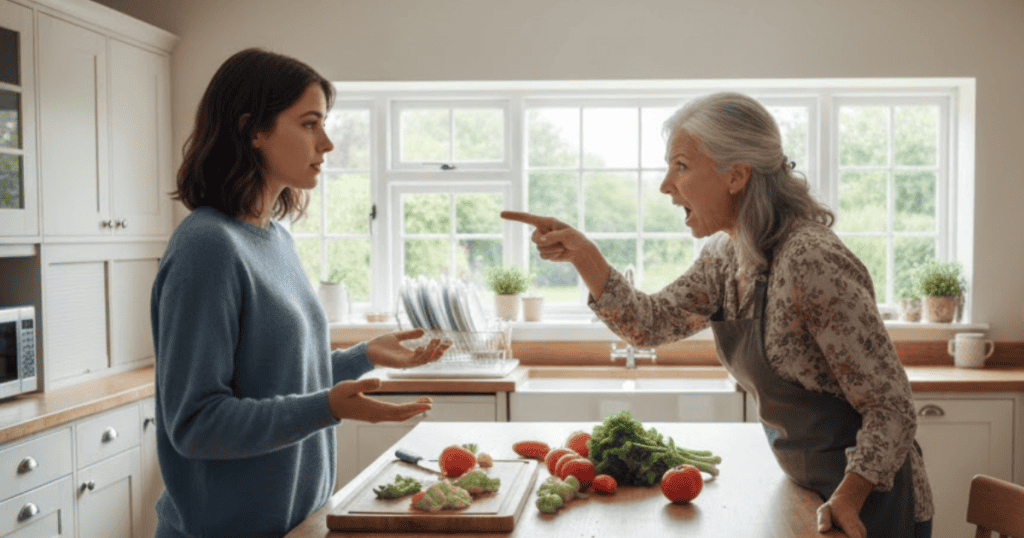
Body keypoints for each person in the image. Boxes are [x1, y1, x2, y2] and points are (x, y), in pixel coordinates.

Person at [502, 92, 933, 538]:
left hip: (867, 507)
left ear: (736, 176)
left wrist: (847, 497)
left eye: (681, 166)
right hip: (810, 492)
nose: (666, 185)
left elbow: (891, 405)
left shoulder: (811, 259)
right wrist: (584, 257)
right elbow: (649, 323)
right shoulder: (726, 256)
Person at [150, 48, 451, 538]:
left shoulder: (275, 239)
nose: (327, 143)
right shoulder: (208, 246)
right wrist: (328, 407)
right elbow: (196, 422)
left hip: (299, 522)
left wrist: (361, 357)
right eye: (310, 123)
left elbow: (273, 380)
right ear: (253, 130)